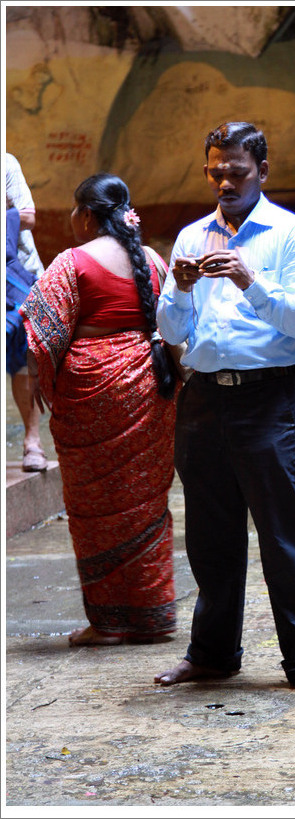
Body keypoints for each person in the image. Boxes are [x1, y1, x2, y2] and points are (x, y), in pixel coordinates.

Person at [154, 121, 295, 697]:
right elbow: (166, 329)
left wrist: (250, 281)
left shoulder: (288, 235)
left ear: (262, 170)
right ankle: (211, 654)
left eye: (237, 170)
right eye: (216, 170)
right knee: (210, 535)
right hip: (204, 398)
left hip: (267, 398)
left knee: (283, 534)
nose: (225, 180)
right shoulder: (189, 238)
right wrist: (181, 288)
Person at [20, 173, 180, 646]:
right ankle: (153, 616)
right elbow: (173, 320)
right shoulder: (151, 258)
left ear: (86, 215)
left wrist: (46, 387)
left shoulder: (72, 263)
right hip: (150, 385)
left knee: (95, 512)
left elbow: (39, 339)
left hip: (91, 393)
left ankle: (109, 622)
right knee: (147, 504)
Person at [5, 152, 47, 471]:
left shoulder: (6, 163)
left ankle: (32, 440)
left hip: (16, 276)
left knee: (22, 359)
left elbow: (29, 216)